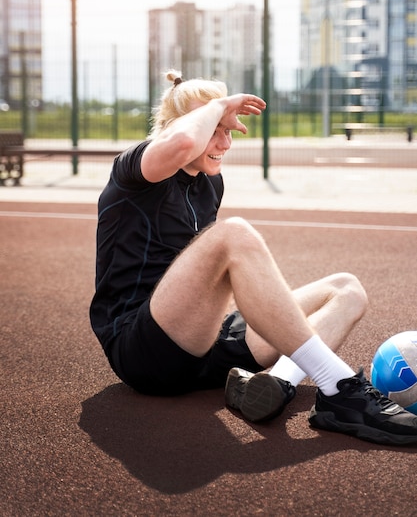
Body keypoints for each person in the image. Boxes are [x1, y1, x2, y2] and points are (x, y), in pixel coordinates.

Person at [90, 70, 417, 446]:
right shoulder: (135, 170)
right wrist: (216, 105)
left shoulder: (210, 183)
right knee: (234, 233)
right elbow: (180, 143)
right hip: (143, 349)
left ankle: (276, 385)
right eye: (216, 128)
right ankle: (340, 389)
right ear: (186, 124)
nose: (225, 142)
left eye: (229, 130)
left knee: (347, 288)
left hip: (206, 345)